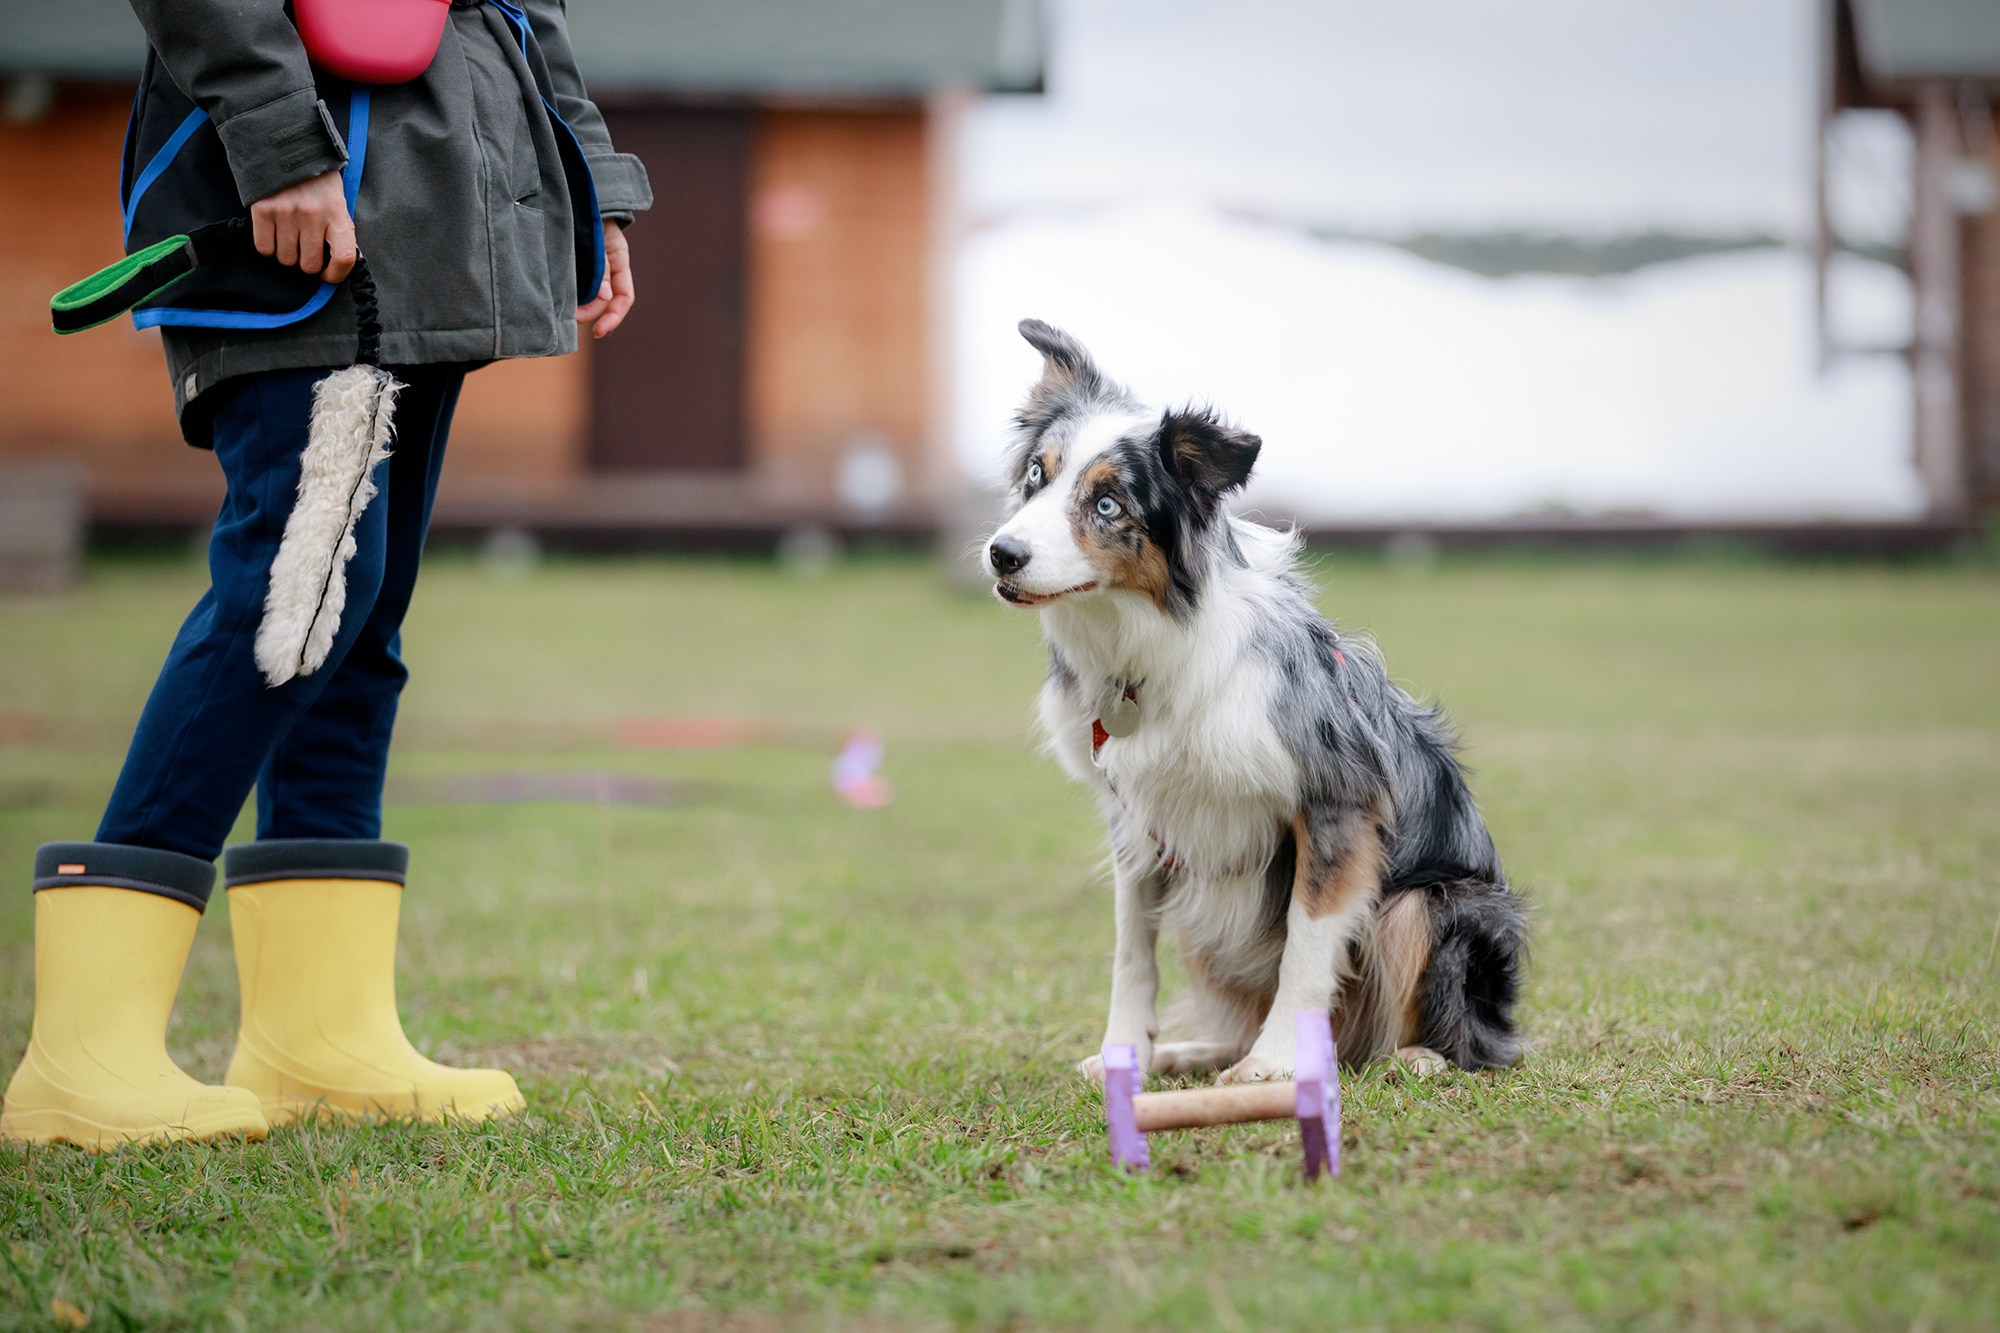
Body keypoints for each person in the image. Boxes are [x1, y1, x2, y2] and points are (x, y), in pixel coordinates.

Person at [1, 0, 650, 1148]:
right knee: (289, 602)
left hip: (441, 209)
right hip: (308, 205)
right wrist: (278, 139)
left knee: (359, 615)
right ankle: (80, 1055)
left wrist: (584, 182)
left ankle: (318, 1035)